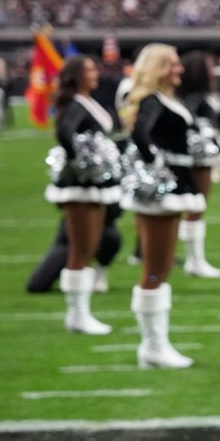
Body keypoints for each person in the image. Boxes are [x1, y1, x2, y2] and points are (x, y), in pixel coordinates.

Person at [121, 44, 205, 368]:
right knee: (155, 269)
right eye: (171, 65)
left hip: (176, 185)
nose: (179, 70)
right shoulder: (152, 100)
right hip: (163, 190)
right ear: (156, 68)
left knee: (163, 266)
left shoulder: (169, 99)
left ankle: (156, 345)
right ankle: (152, 347)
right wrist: (157, 167)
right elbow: (141, 134)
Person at [43, 55, 124, 334]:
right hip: (80, 186)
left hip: (94, 185)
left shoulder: (86, 100)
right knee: (80, 250)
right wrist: (80, 163)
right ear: (76, 76)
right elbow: (65, 133)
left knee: (89, 247)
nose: (95, 73)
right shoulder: (75, 104)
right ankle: (76, 315)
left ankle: (81, 312)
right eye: (89, 70)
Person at [176, 51, 220, 278]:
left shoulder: (208, 95)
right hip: (198, 158)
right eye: (207, 67)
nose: (212, 71)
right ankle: (194, 261)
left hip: (207, 157)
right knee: (196, 207)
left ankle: (195, 259)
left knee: (197, 206)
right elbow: (190, 125)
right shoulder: (193, 99)